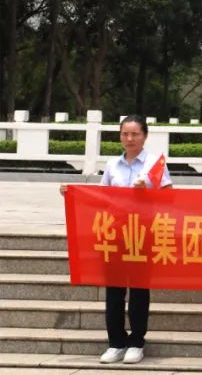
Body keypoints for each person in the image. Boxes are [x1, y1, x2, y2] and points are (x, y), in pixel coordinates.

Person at [59, 115, 173, 365]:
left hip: (143, 234)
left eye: (135, 134)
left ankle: (137, 342)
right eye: (125, 134)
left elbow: (170, 198)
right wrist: (73, 193)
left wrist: (147, 191)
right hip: (115, 234)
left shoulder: (155, 164)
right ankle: (116, 342)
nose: (129, 139)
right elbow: (102, 197)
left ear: (145, 136)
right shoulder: (112, 165)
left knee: (139, 290)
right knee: (114, 291)